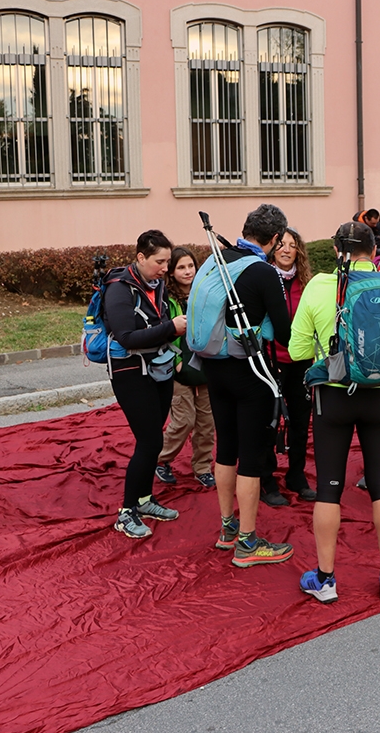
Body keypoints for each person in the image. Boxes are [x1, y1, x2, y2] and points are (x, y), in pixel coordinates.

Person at [290, 221, 380, 603]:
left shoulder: (319, 286)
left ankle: (326, 579)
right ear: (374, 250)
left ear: (336, 251)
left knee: (328, 488)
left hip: (333, 399)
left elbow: (297, 351)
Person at [204, 204, 295, 567]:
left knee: (226, 448)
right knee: (252, 457)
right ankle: (248, 542)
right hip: (251, 371)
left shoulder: (216, 260)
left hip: (214, 366)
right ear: (275, 238)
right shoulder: (263, 271)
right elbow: (285, 333)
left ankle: (227, 528)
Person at [103, 230, 186, 539]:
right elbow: (127, 337)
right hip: (129, 371)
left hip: (159, 368)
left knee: (154, 439)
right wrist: (171, 328)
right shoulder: (119, 289)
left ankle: (144, 499)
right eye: (159, 262)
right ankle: (126, 512)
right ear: (140, 257)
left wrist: (168, 331)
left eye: (167, 261)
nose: (165, 268)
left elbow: (156, 324)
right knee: (149, 441)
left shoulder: (156, 284)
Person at [260, 226, 316, 504]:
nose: (286, 249)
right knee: (268, 422)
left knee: (300, 421)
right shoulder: (263, 278)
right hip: (270, 360)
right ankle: (266, 480)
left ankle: (296, 474)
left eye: (292, 245)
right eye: (281, 244)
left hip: (301, 361)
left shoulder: (307, 283)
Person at [155, 247, 216, 491]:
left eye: (191, 266)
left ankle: (202, 467)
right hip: (178, 369)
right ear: (171, 271)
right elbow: (161, 334)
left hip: (205, 366)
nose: (188, 271)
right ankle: (160, 459)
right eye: (181, 267)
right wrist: (175, 360)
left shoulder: (205, 294)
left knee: (207, 423)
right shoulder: (165, 299)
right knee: (184, 420)